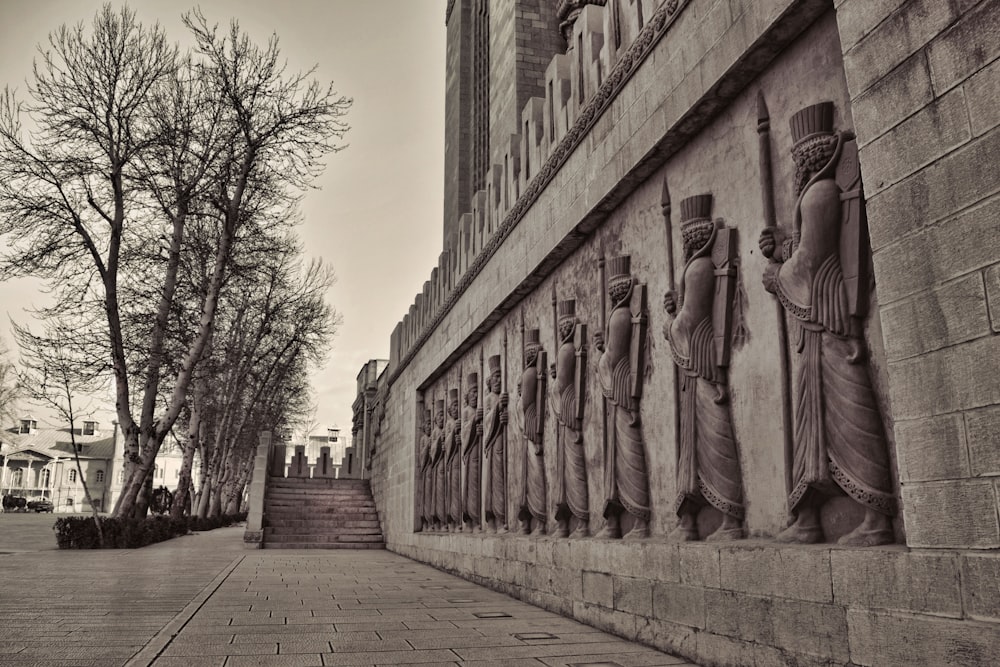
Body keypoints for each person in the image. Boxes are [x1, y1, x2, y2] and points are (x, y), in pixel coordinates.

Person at [758, 101, 895, 546]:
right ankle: (810, 518)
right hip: (813, 328)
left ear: (808, 158)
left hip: (828, 321)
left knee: (851, 417)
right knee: (812, 428)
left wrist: (778, 275)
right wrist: (781, 249)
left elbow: (813, 263)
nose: (796, 166)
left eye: (798, 158)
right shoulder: (811, 197)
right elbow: (802, 250)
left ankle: (876, 518)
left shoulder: (819, 195)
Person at [663, 194, 744, 541]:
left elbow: (690, 322)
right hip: (692, 373)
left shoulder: (697, 268)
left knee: (715, 442)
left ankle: (730, 518)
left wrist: (670, 323)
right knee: (694, 451)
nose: (683, 243)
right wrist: (675, 309)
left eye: (685, 237)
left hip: (702, 368)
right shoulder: (694, 268)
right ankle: (692, 519)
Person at [594, 255, 651, 539]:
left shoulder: (618, 315)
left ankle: (639, 520)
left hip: (620, 393)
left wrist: (600, 356)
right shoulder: (622, 314)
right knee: (622, 458)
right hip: (619, 393)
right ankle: (622, 520)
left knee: (628, 457)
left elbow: (614, 359)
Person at [551, 299, 589, 538]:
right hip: (565, 418)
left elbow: (562, 387)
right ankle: (571, 523)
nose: (563, 329)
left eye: (566, 325)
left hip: (568, 418)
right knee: (569, 474)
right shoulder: (567, 350)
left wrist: (553, 382)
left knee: (573, 473)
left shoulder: (565, 350)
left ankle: (582, 522)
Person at [517, 329, 546, 535]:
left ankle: (538, 521)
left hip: (530, 430)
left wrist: (519, 399)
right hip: (530, 430)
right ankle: (532, 521)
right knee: (531, 479)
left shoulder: (528, 373)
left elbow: (526, 404)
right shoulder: (531, 373)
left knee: (533, 479)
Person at [482, 355, 508, 533]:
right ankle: (495, 519)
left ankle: (501, 519)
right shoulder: (490, 399)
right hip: (493, 444)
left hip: (502, 442)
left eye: (500, 376)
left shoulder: (499, 398)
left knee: (500, 479)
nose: (498, 380)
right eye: (495, 377)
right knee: (495, 481)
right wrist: (499, 408)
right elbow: (486, 422)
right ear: (490, 381)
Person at [461, 373, 483, 532]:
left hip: (479, 451)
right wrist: (475, 421)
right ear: (467, 396)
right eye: (472, 392)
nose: (475, 395)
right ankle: (471, 520)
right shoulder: (467, 411)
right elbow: (464, 433)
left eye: (477, 391)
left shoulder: (479, 409)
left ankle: (476, 519)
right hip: (470, 454)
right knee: (471, 486)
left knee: (477, 485)